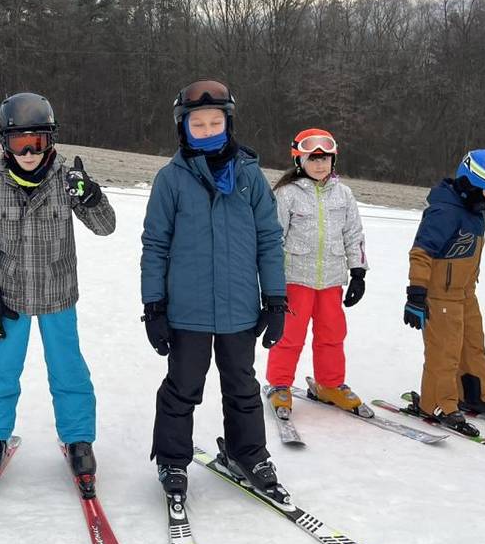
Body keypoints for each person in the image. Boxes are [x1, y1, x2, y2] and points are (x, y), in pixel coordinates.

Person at [141, 80, 288, 501]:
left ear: (228, 123)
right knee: (182, 386)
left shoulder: (250, 177)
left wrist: (275, 300)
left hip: (240, 309)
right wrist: (154, 306)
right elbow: (155, 245)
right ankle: (171, 459)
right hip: (186, 311)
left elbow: (268, 240)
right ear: (184, 128)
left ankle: (249, 454)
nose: (208, 130)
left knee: (242, 385)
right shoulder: (170, 180)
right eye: (198, 124)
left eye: (215, 122)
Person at [0, 92, 115, 484]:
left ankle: (78, 438)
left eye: (38, 141)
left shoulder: (67, 180)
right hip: (12, 296)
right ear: (5, 143)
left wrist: (92, 197)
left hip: (57, 295)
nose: (30, 151)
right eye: (20, 142)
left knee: (68, 370)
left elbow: (105, 226)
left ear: (51, 140)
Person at [403, 148, 485, 435]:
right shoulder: (444, 211)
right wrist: (416, 294)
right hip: (440, 296)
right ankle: (437, 403)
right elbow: (421, 253)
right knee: (443, 353)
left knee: (473, 347)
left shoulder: (476, 209)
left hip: (465, 293)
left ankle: (476, 394)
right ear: (476, 182)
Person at [265, 128, 369, 418]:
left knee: (332, 334)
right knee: (289, 335)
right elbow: (274, 238)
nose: (320, 165)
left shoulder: (344, 194)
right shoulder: (287, 194)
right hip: (295, 279)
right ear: (300, 161)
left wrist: (358, 271)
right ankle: (280, 384)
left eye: (325, 159)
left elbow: (354, 234)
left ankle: (330, 383)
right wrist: (271, 279)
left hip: (332, 280)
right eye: (313, 159)